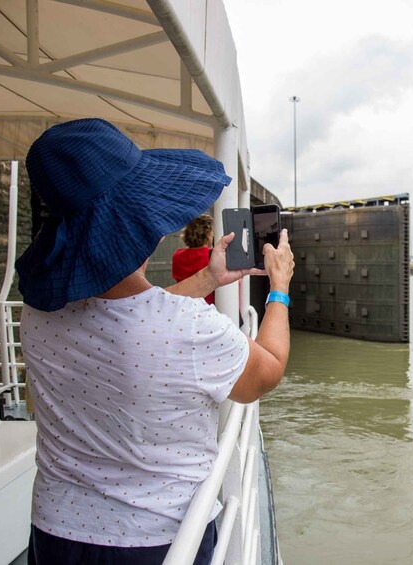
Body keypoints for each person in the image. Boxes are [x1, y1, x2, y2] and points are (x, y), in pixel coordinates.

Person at [15, 118, 294, 565]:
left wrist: (208, 277)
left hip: (55, 532)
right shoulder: (191, 328)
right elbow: (266, 373)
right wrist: (279, 288)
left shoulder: (37, 314)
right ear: (133, 223)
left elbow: (128, 312)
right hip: (157, 542)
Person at [172, 215, 215, 304]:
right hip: (209, 306)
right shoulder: (212, 255)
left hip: (184, 304)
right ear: (208, 234)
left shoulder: (177, 255)